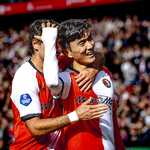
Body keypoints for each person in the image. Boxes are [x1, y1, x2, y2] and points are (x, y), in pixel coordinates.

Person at [10, 19, 108, 150]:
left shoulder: (59, 63)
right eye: (51, 43)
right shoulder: (25, 77)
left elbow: (97, 55)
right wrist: (76, 115)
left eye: (60, 43)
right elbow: (34, 127)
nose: (58, 49)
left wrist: (93, 69)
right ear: (35, 44)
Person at [43, 18, 125, 150]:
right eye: (82, 43)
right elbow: (52, 82)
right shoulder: (66, 78)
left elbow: (113, 122)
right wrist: (49, 39)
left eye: (89, 38)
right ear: (67, 52)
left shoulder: (104, 73)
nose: (90, 45)